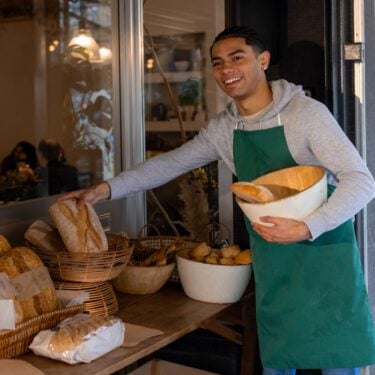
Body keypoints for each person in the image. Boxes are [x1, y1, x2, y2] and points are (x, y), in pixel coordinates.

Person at [61, 26, 375, 374]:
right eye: (218, 62)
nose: (227, 69)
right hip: (274, 261)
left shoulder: (307, 115)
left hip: (324, 258)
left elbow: (361, 182)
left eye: (237, 58)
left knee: (335, 363)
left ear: (264, 60)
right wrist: (105, 190)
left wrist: (307, 227)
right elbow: (169, 163)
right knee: (279, 362)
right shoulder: (224, 129)